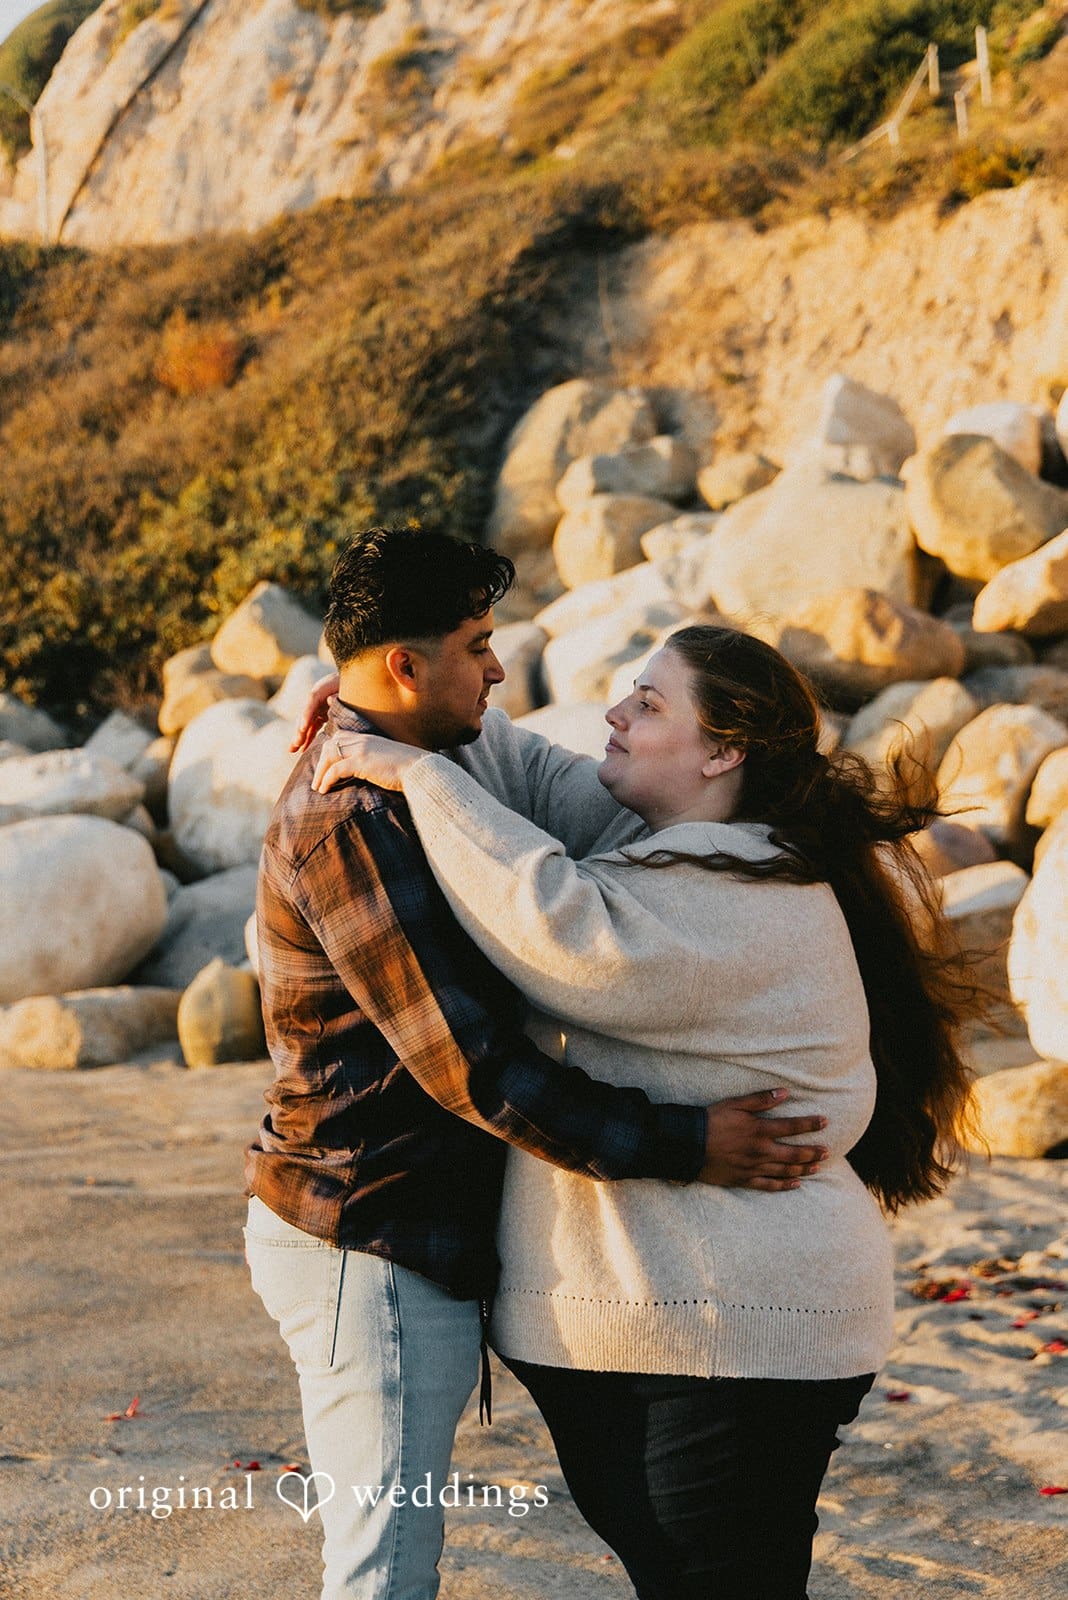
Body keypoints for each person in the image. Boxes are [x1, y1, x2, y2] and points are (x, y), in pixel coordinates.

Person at [311, 621, 977, 1600]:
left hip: (733, 1345)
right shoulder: (678, 838)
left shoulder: (739, 895)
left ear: (721, 751)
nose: (614, 715)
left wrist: (415, 774)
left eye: (649, 704)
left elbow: (561, 930)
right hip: (700, 1335)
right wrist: (369, 701)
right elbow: (531, 774)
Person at [244, 530, 830, 1600]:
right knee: (383, 1566)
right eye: (479, 645)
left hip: (414, 1229)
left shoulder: (439, 752)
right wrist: (694, 1142)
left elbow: (532, 776)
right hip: (368, 1235)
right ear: (409, 668)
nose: (500, 667)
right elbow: (475, 1070)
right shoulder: (350, 818)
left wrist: (362, 710)